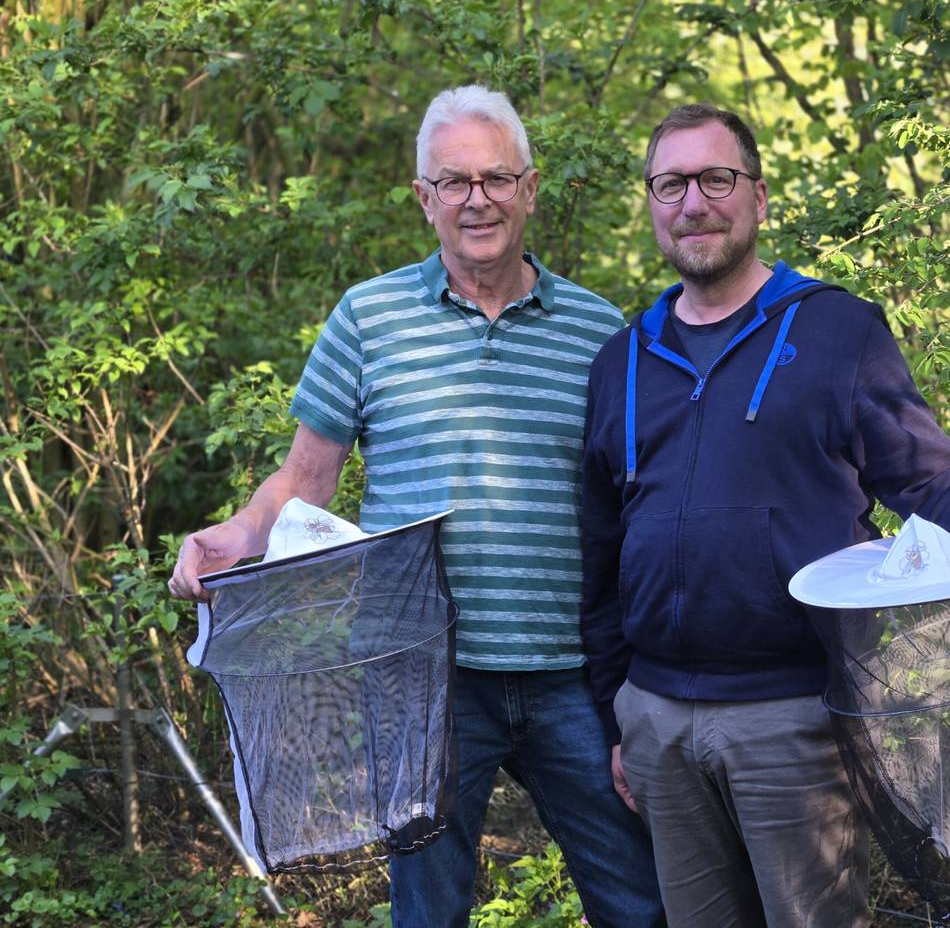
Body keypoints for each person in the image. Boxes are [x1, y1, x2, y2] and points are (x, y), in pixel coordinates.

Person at [169, 84, 663, 928]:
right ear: (423, 198)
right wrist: (241, 533)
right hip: (422, 678)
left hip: (573, 676)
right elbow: (304, 480)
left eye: (497, 179)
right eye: (455, 182)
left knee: (638, 899)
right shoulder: (369, 317)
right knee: (428, 912)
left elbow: (634, 503)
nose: (479, 200)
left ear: (531, 189)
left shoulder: (599, 330)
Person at [580, 103, 950, 927]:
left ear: (758, 195)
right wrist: (617, 711)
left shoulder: (837, 330)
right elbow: (600, 547)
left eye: (717, 178)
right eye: (671, 183)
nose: (694, 203)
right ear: (650, 202)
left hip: (795, 717)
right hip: (657, 720)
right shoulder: (621, 360)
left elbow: (930, 485)